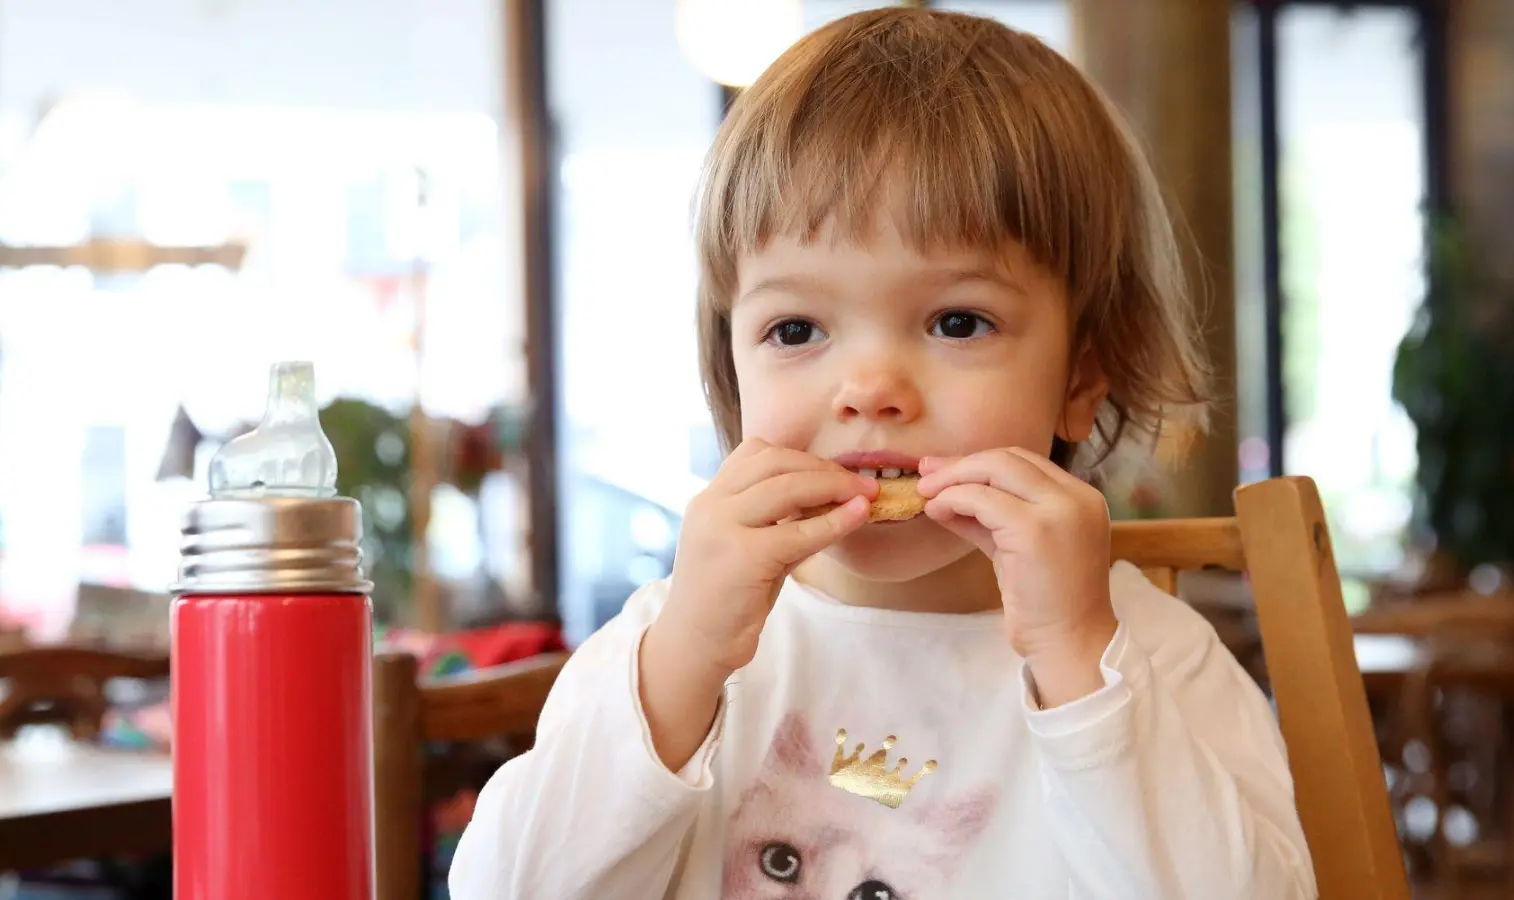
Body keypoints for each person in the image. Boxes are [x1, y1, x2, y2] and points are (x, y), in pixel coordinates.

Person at [449, 8, 1314, 898]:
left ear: (1079, 378)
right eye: (796, 328)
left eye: (956, 321)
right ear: (732, 371)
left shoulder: (1151, 658)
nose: (870, 387)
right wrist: (677, 678)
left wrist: (1080, 666)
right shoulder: (673, 649)